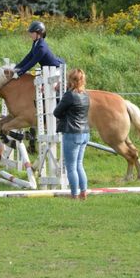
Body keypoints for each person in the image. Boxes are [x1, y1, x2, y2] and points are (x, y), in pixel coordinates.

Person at [53, 68, 90, 200]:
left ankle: (74, 194)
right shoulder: (86, 94)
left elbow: (56, 112)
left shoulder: (69, 95)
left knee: (71, 167)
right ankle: (83, 192)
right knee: (79, 164)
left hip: (72, 133)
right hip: (85, 132)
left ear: (71, 80)